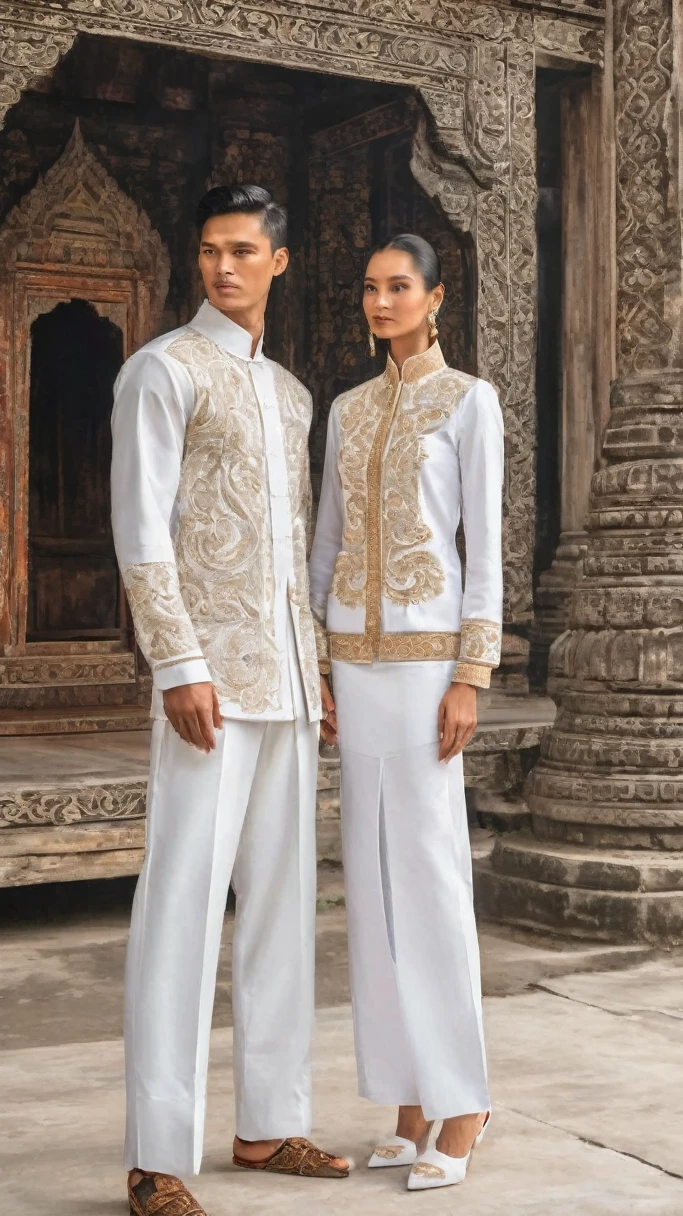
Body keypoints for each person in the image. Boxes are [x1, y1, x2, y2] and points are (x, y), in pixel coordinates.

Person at [111, 185, 347, 1216]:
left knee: (283, 913)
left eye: (244, 251)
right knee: (179, 908)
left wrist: (318, 667)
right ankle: (156, 1157)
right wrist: (177, 665)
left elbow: (293, 554)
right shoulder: (161, 369)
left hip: (288, 684)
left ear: (279, 262)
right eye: (209, 250)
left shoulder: (292, 395)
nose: (223, 267)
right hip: (207, 684)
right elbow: (143, 527)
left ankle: (267, 1124)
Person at [309, 233, 503, 1191]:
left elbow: (486, 548)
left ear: (435, 300)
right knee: (372, 884)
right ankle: (407, 1098)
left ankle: (464, 1099)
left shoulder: (469, 402)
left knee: (430, 880)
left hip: (431, 673)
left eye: (399, 287)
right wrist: (318, 664)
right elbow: (326, 541)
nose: (380, 301)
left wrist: (473, 671)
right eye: (369, 288)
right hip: (354, 665)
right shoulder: (347, 411)